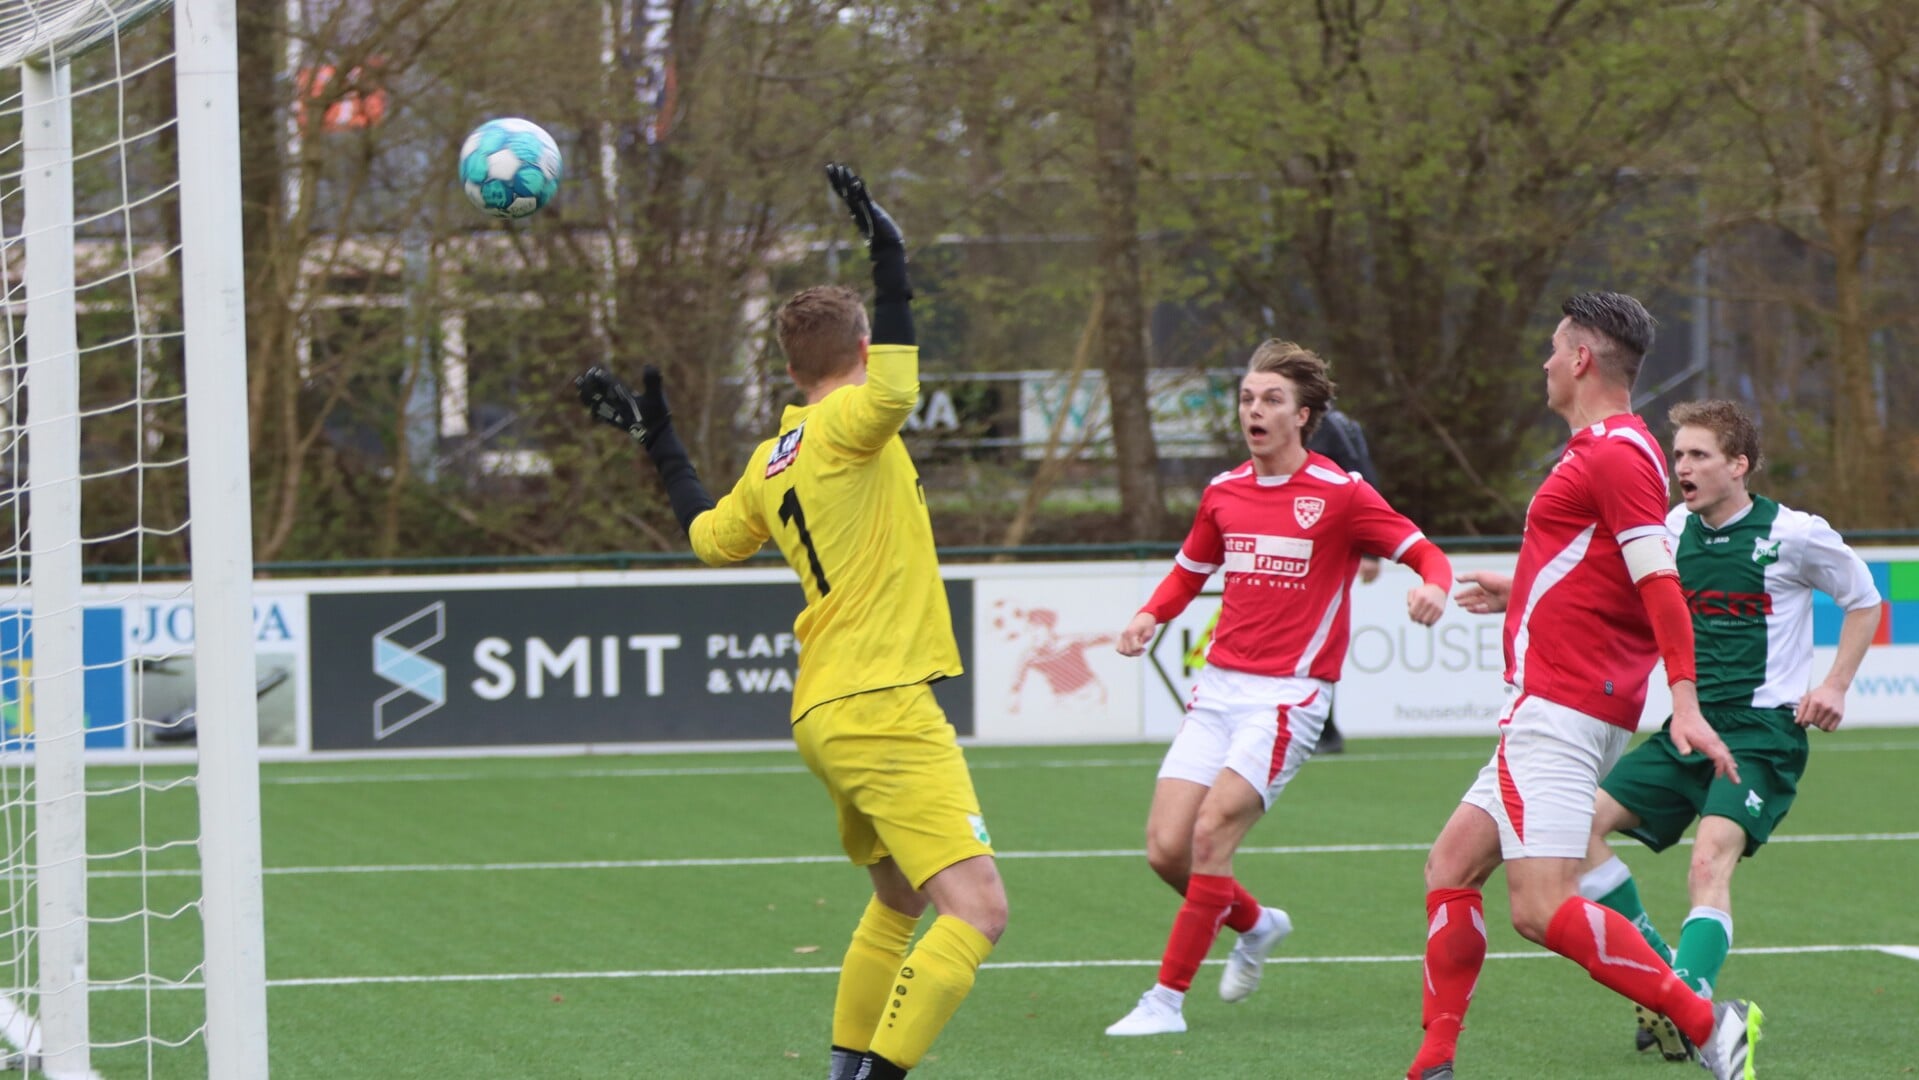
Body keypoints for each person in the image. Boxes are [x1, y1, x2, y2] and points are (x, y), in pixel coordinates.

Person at [576, 164, 1006, 1080]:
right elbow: (893, 390)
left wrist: (659, 441)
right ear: (858, 344)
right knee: (976, 911)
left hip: (824, 710)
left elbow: (703, 537)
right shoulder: (855, 420)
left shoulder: (773, 460)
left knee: (897, 900)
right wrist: (890, 256)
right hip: (884, 701)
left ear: (784, 366)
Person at [1405, 293, 1762, 1080]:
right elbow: (1604, 568)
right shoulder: (1603, 450)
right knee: (1450, 867)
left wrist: (1685, 699)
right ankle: (1432, 1061)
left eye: (1551, 348)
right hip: (1548, 701)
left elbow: (1657, 580)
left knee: (1538, 907)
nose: (1542, 361)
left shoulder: (1614, 452)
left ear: (1579, 360)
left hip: (1561, 708)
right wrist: (1519, 587)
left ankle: (1708, 1023)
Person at [1103, 340, 1454, 1036]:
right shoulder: (1223, 492)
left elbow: (1422, 551)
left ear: (1304, 416)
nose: (1253, 411)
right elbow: (1187, 571)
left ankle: (1164, 1002)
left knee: (1209, 835)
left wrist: (1433, 588)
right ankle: (1256, 924)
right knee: (1164, 849)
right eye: (1246, 398)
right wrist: (1149, 615)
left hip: (1289, 697)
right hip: (1217, 690)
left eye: (1270, 400)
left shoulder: (1339, 495)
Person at [1576, 399, 1881, 1061]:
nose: (1679, 466)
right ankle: (1672, 986)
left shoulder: (1793, 534)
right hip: (1687, 726)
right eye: (1676, 454)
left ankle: (1684, 1005)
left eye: (1696, 455)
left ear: (1737, 465)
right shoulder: (1670, 530)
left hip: (1759, 734)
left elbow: (1864, 598)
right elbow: (1609, 593)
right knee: (1574, 831)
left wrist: (1832, 685)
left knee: (1706, 860)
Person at [1304, 401, 1382, 753]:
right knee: (1316, 632)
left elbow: (1361, 482)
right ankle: (1321, 726)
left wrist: (1369, 549)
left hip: (1326, 542)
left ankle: (1323, 728)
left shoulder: (1327, 426)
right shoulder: (1343, 423)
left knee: (1316, 632)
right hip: (1322, 540)